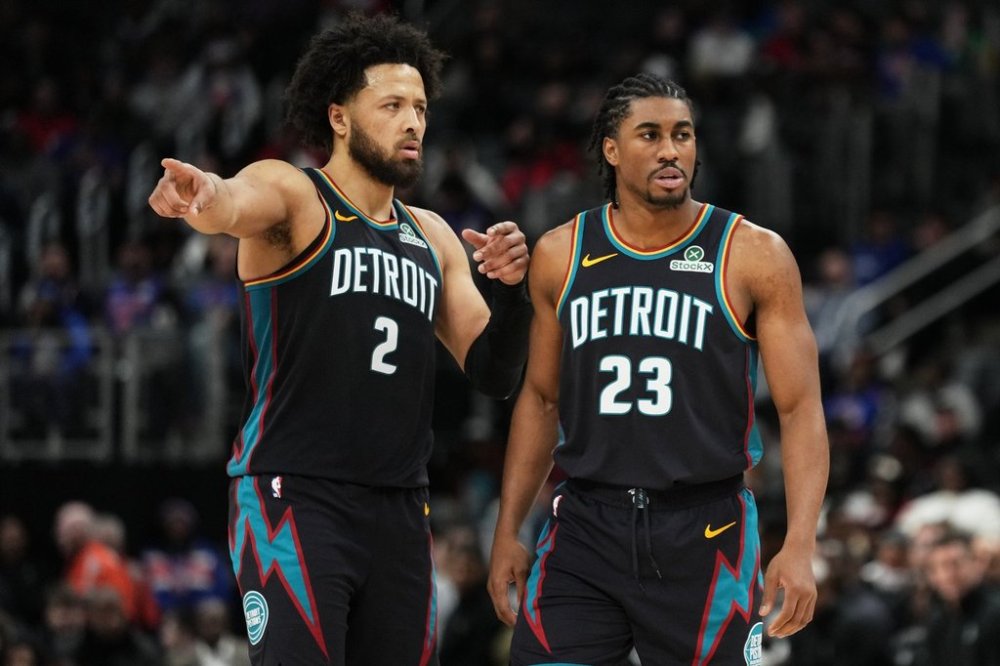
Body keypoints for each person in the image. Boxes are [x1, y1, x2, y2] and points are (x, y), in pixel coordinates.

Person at [147, 12, 531, 666]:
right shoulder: (297, 194)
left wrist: (513, 293)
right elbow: (234, 201)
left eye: (420, 108)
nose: (413, 122)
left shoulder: (433, 236)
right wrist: (203, 195)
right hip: (296, 497)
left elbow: (494, 372)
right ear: (340, 117)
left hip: (401, 511)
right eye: (392, 105)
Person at [487, 73, 828, 665]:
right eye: (650, 135)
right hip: (586, 525)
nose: (671, 150)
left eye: (683, 135)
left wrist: (800, 544)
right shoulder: (561, 253)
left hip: (705, 529)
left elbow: (800, 409)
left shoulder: (753, 253)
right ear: (612, 150)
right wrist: (508, 530)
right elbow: (541, 399)